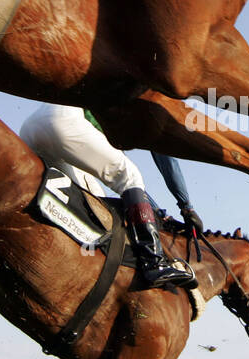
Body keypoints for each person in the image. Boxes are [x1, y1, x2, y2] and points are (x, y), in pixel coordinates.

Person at [21, 103, 203, 289]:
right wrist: (186, 207)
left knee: (94, 202)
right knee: (131, 175)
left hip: (32, 128)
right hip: (64, 122)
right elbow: (164, 159)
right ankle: (154, 262)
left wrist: (158, 213)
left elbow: (131, 194)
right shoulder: (152, 106)